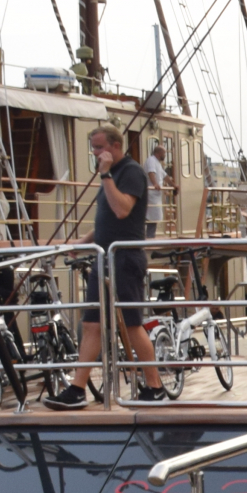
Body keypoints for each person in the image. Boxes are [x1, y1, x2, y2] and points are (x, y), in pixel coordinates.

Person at [46, 125, 167, 405]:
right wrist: (82, 243)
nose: (94, 152)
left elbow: (122, 209)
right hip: (104, 257)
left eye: (99, 147)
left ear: (114, 147)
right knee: (91, 324)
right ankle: (77, 389)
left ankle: (155, 385)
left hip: (125, 258)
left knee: (132, 324)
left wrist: (105, 174)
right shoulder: (110, 177)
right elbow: (106, 222)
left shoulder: (131, 172)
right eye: (93, 147)